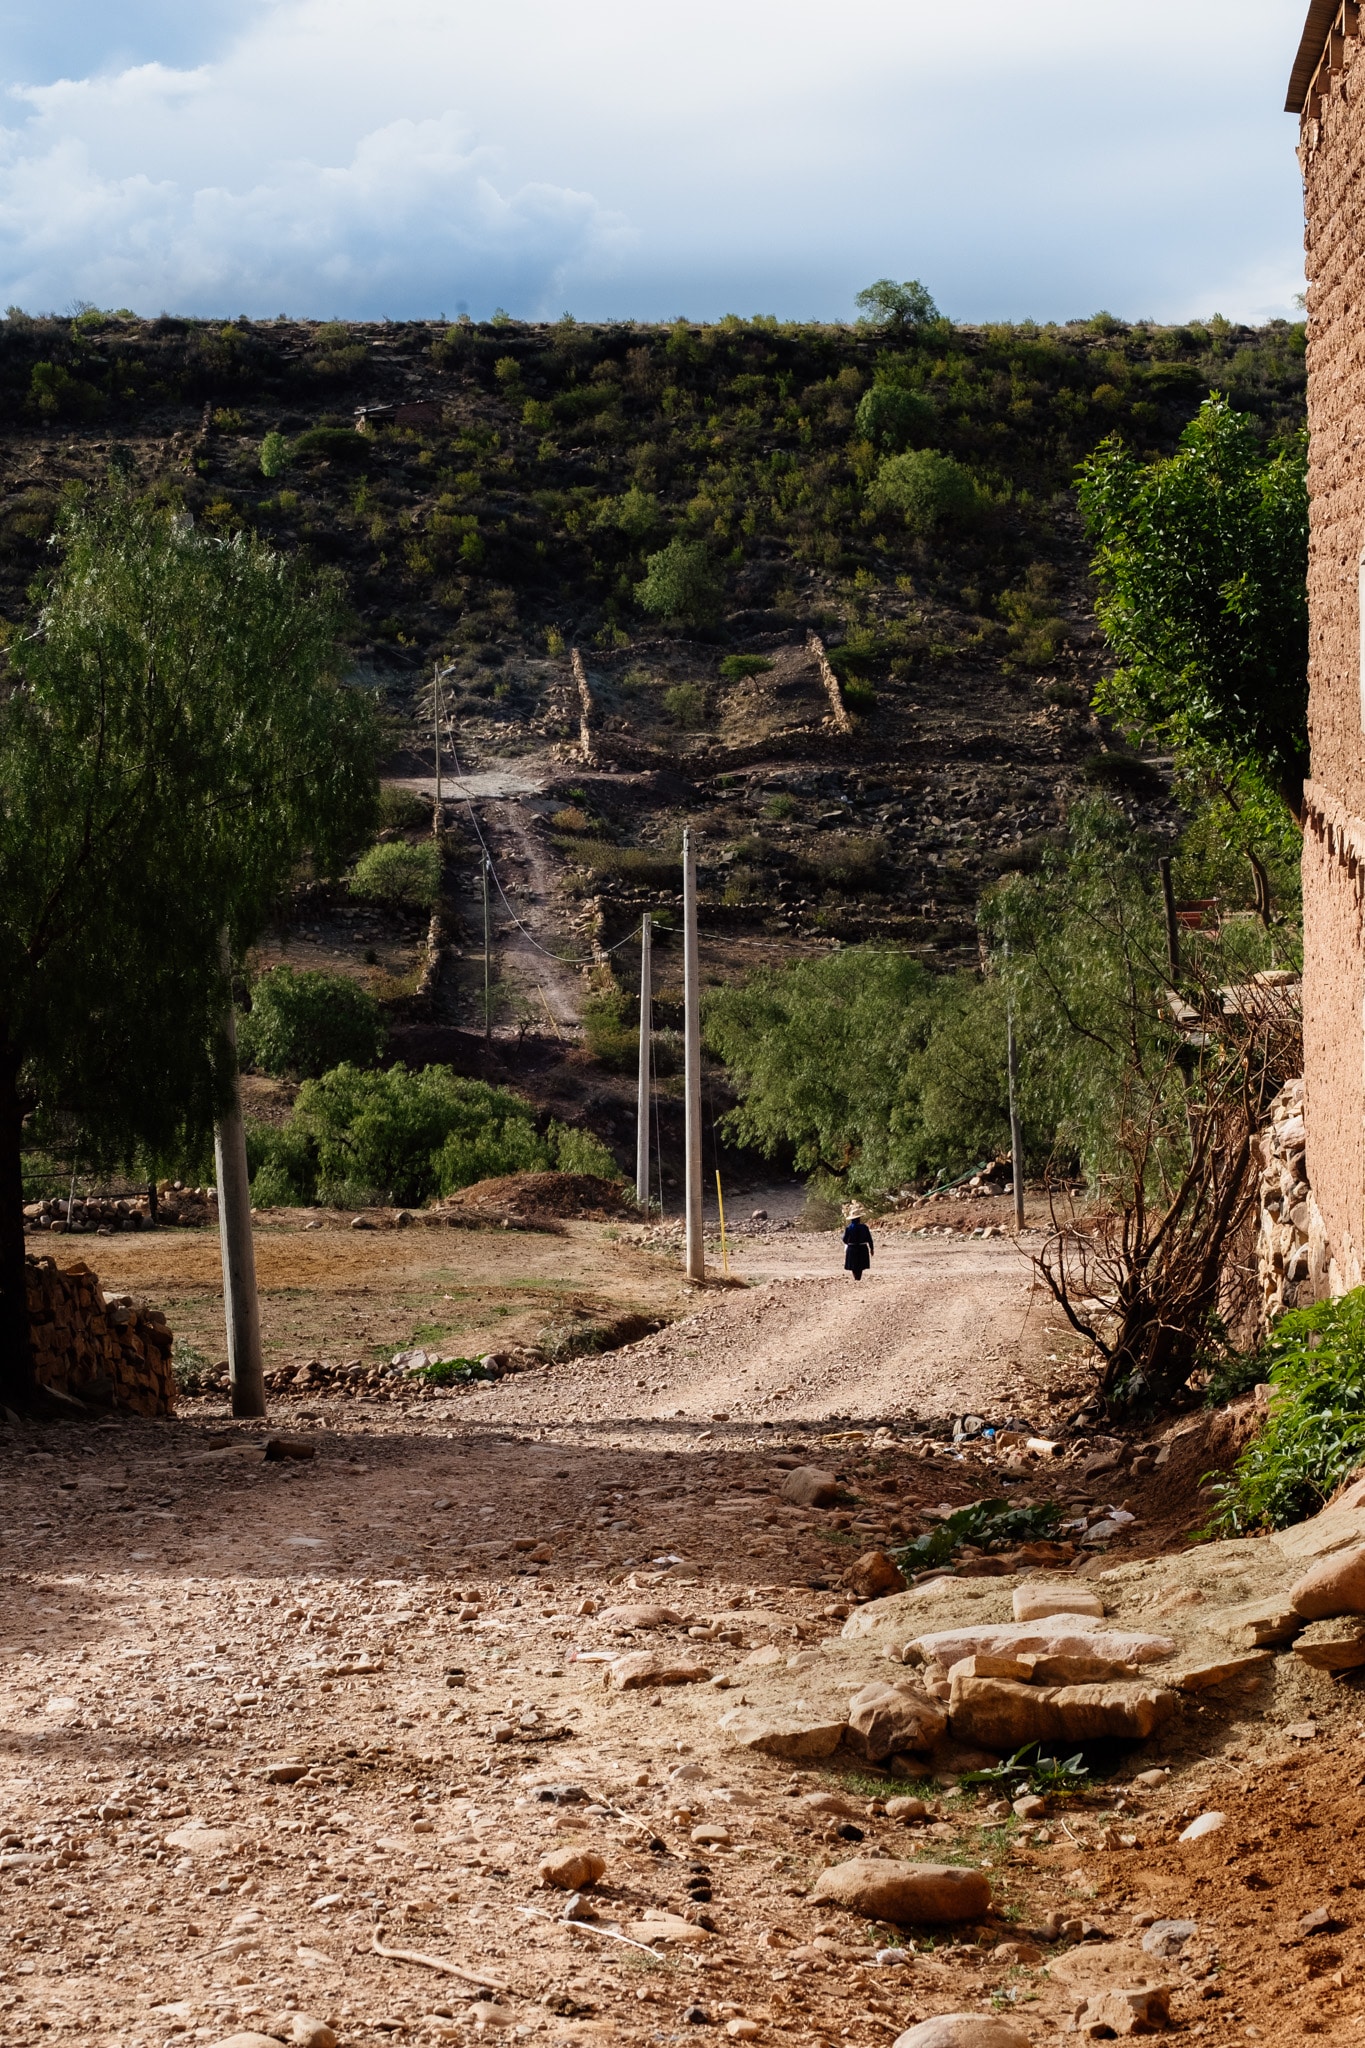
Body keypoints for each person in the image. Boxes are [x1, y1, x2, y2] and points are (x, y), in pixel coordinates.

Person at [842, 1202, 874, 1282]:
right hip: (862, 1247)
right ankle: (858, 1278)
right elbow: (869, 1238)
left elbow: (844, 1239)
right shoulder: (864, 1227)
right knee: (860, 1264)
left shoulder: (848, 1228)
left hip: (852, 1248)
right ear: (859, 1218)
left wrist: (848, 1243)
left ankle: (856, 1278)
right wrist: (871, 1248)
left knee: (853, 1265)